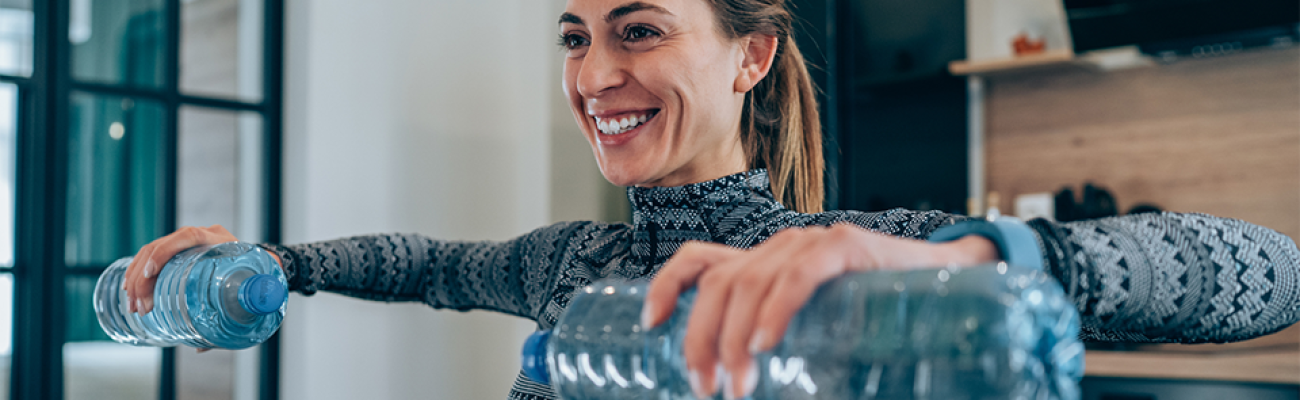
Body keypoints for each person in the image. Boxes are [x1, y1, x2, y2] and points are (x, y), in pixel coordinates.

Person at [120, 0, 1300, 399]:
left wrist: (983, 255)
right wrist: (264, 259)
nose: (591, 75)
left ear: (747, 56)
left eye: (638, 30)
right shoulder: (564, 267)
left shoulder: (847, 267)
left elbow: (1266, 268)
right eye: (575, 37)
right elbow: (424, 260)